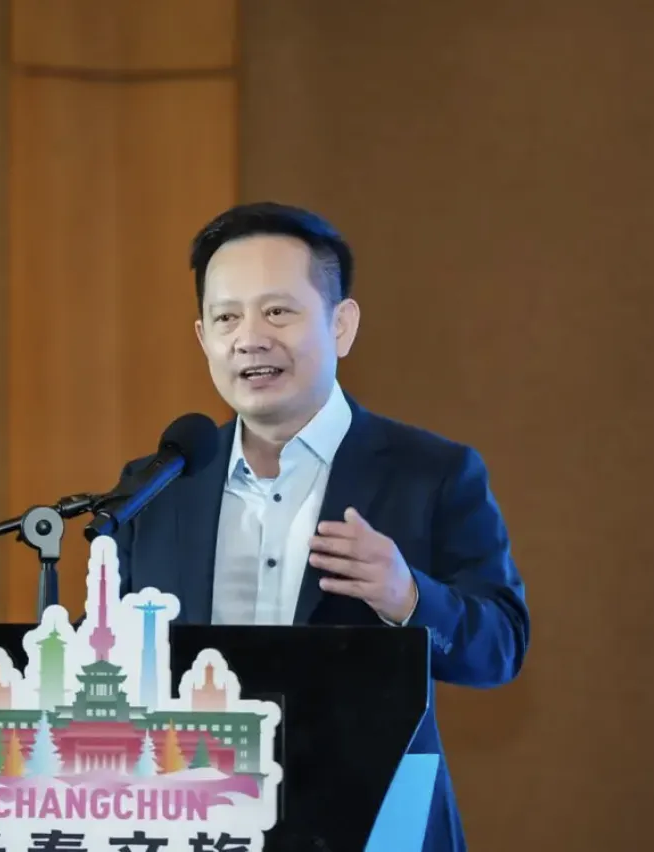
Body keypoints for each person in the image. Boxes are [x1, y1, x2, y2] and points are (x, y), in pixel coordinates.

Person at [111, 201, 529, 851]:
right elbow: (102, 656)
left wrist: (407, 596)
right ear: (202, 337)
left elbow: (500, 647)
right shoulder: (158, 488)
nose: (249, 338)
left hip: (374, 824)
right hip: (192, 819)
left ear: (341, 325)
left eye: (278, 311)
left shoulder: (431, 474)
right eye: (226, 317)